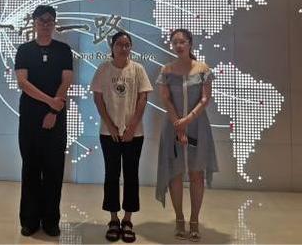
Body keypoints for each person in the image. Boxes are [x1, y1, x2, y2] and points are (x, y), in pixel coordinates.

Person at [14, 5, 73, 237]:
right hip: (30, 117)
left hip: (56, 117)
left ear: (54, 23)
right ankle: (29, 220)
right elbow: (23, 82)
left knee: (53, 170)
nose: (46, 24)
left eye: (50, 20)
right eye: (41, 20)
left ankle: (50, 220)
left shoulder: (63, 50)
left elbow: (66, 80)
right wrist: (50, 102)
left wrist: (54, 111)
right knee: (30, 168)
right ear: (34, 23)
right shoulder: (25, 50)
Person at [155, 28, 218, 242]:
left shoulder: (202, 69)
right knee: (175, 172)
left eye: (182, 41)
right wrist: (178, 124)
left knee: (197, 173)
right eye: (175, 42)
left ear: (190, 43)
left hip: (197, 125)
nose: (178, 45)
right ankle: (179, 219)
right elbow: (165, 99)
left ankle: (194, 220)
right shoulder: (167, 70)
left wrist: (188, 120)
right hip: (173, 125)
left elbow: (205, 99)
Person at [91, 31, 153, 243]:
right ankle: (113, 219)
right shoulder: (104, 69)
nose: (123, 48)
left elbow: (143, 98)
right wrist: (110, 125)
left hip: (134, 134)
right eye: (119, 44)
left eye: (127, 45)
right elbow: (98, 98)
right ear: (112, 47)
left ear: (131, 47)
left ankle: (127, 220)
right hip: (108, 133)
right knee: (111, 175)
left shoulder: (138, 69)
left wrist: (131, 127)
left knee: (131, 175)